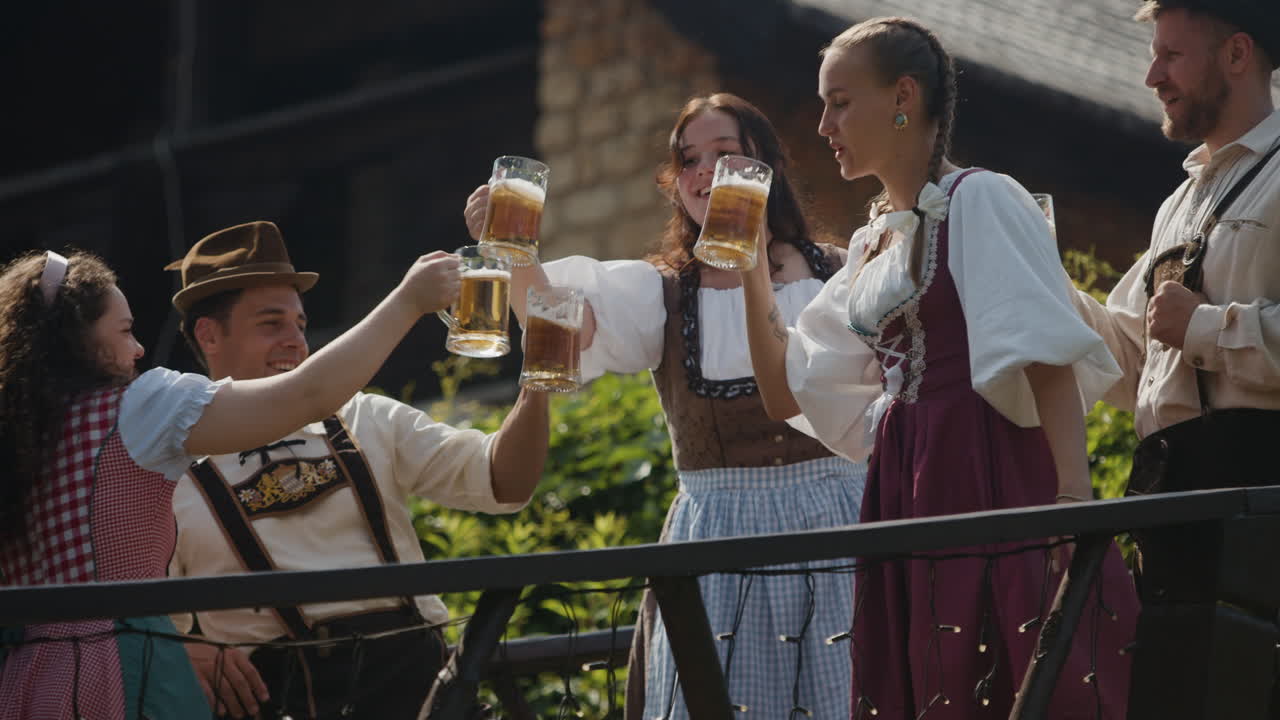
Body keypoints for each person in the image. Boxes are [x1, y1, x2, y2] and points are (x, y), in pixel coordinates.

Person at [737, 17, 1139, 719]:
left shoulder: (982, 198)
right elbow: (783, 391)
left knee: (1017, 674)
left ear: (903, 95)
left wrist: (1074, 503)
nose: (823, 123)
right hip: (905, 481)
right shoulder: (872, 245)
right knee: (928, 680)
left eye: (839, 101)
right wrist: (746, 265)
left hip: (988, 469)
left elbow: (1046, 355)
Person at [465, 93, 867, 720]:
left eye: (725, 154)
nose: (704, 171)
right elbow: (564, 335)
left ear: (768, 168)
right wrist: (515, 252)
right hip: (718, 536)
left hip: (843, 525)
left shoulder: (843, 272)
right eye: (689, 160)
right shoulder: (665, 292)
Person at [0, 243, 460, 720]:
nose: (138, 349)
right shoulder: (137, 407)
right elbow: (310, 393)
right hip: (128, 670)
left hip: (30, 679)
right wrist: (407, 301)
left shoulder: (19, 436)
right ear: (77, 339)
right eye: (125, 330)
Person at [162, 221, 549, 720]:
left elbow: (506, 481)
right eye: (271, 323)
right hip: (285, 702)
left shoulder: (369, 418)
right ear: (209, 335)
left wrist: (539, 379)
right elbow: (122, 615)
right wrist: (180, 648)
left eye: (299, 325)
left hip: (420, 692)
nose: (294, 341)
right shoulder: (170, 472)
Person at [1072, 1, 1280, 496]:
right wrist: (1030, 267)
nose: (1151, 76)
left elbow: (1186, 329)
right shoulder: (1178, 204)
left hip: (1259, 492)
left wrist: (1203, 328)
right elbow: (1127, 360)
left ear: (1237, 54)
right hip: (1167, 490)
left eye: (1172, 55)